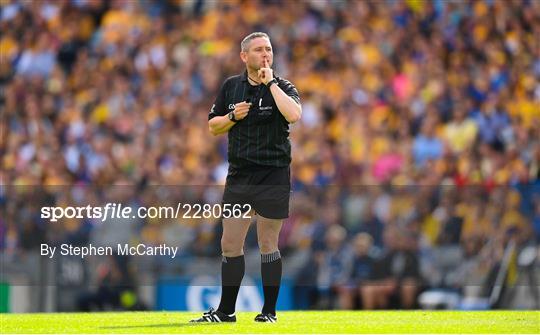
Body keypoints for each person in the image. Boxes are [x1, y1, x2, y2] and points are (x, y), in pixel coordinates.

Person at [190, 32, 301, 323]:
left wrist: (271, 83)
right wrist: (232, 117)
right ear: (244, 56)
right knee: (230, 244)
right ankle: (226, 312)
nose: (265, 54)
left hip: (273, 175)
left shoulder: (283, 86)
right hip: (240, 177)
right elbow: (213, 126)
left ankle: (269, 312)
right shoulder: (231, 87)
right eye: (258, 50)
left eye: (269, 49)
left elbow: (293, 115)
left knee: (268, 243)